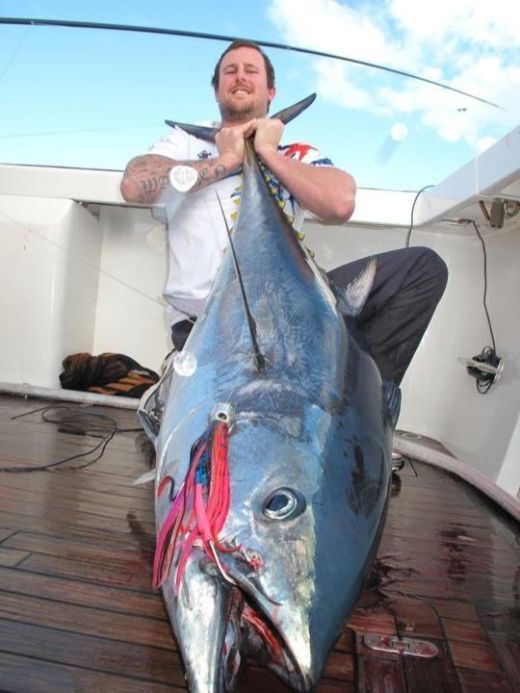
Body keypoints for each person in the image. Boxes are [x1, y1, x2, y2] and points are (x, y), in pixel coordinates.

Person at [120, 40, 447, 434]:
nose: (240, 76)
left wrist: (267, 152)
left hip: (291, 315)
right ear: (217, 88)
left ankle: (359, 407)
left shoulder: (296, 152)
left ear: (270, 92)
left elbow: (340, 203)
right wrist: (227, 160)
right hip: (206, 325)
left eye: (251, 70)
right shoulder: (185, 144)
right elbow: (135, 185)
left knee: (422, 269)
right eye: (231, 70)